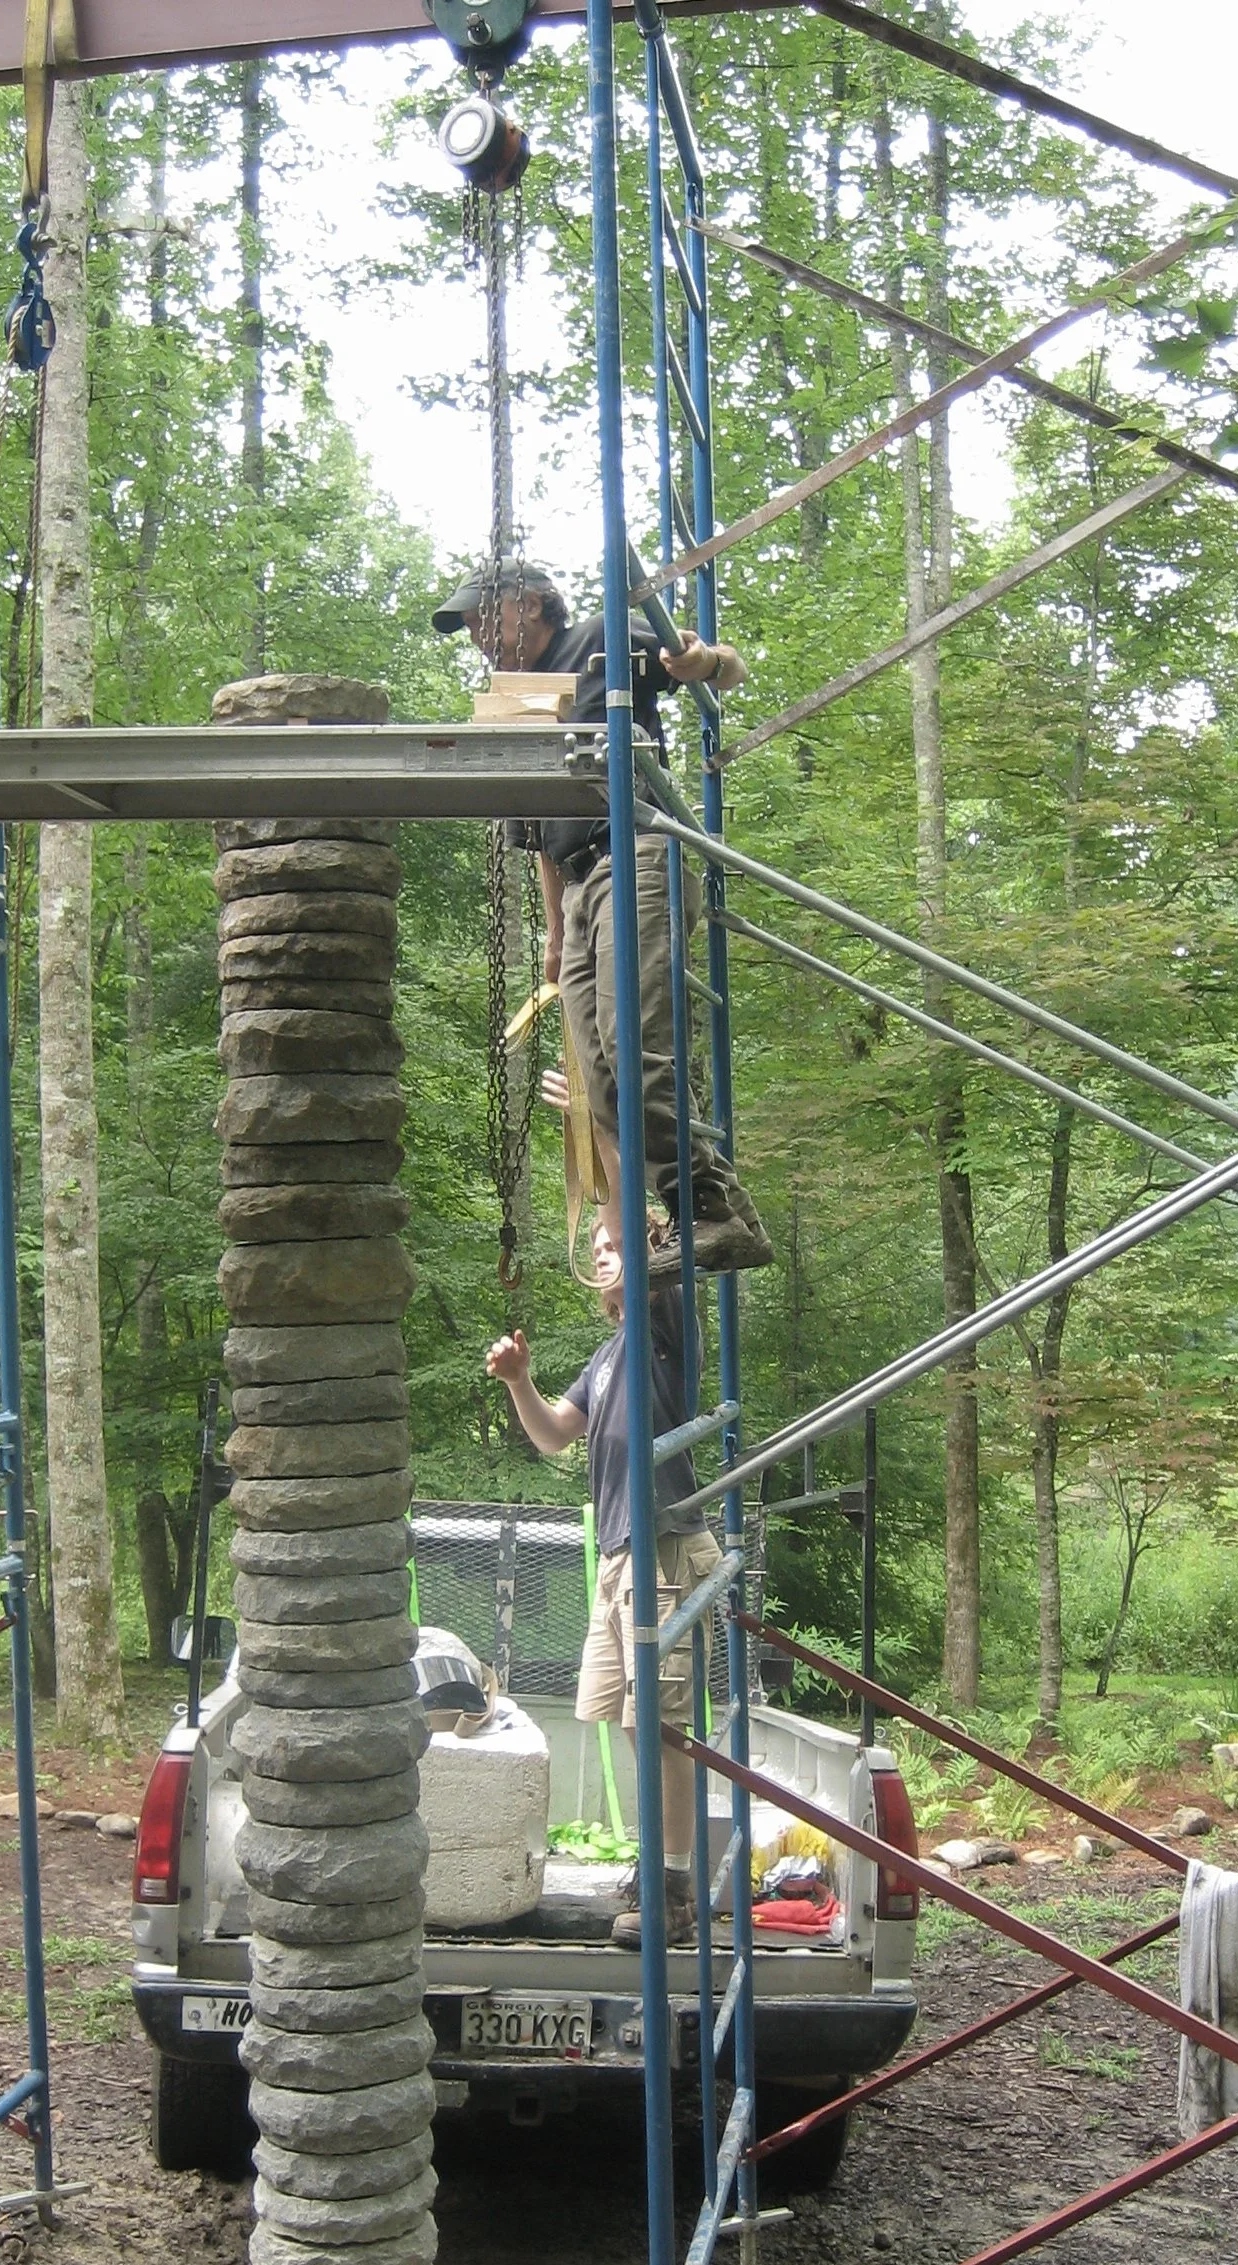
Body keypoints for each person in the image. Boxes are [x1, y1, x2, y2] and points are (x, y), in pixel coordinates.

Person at [434, 559, 773, 1278]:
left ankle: (703, 1209)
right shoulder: (513, 702)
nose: (478, 639)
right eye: (468, 630)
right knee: (601, 1083)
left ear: (528, 604)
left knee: (633, 1044)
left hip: (633, 850)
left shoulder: (598, 640)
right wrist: (555, 937)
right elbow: (535, 839)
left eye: (481, 620)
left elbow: (725, 666)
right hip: (581, 885)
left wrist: (698, 660)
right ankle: (721, 1210)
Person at [485, 1224, 721, 1946]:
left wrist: (598, 1119)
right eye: (590, 1242)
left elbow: (634, 1216)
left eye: (612, 1239)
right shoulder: (609, 1354)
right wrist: (519, 1380)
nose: (596, 1248)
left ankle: (675, 1891)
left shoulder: (664, 1326)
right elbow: (555, 1433)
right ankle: (663, 1868)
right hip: (621, 1556)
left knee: (663, 1726)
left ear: (651, 1254)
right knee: (633, 1724)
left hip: (665, 1550)